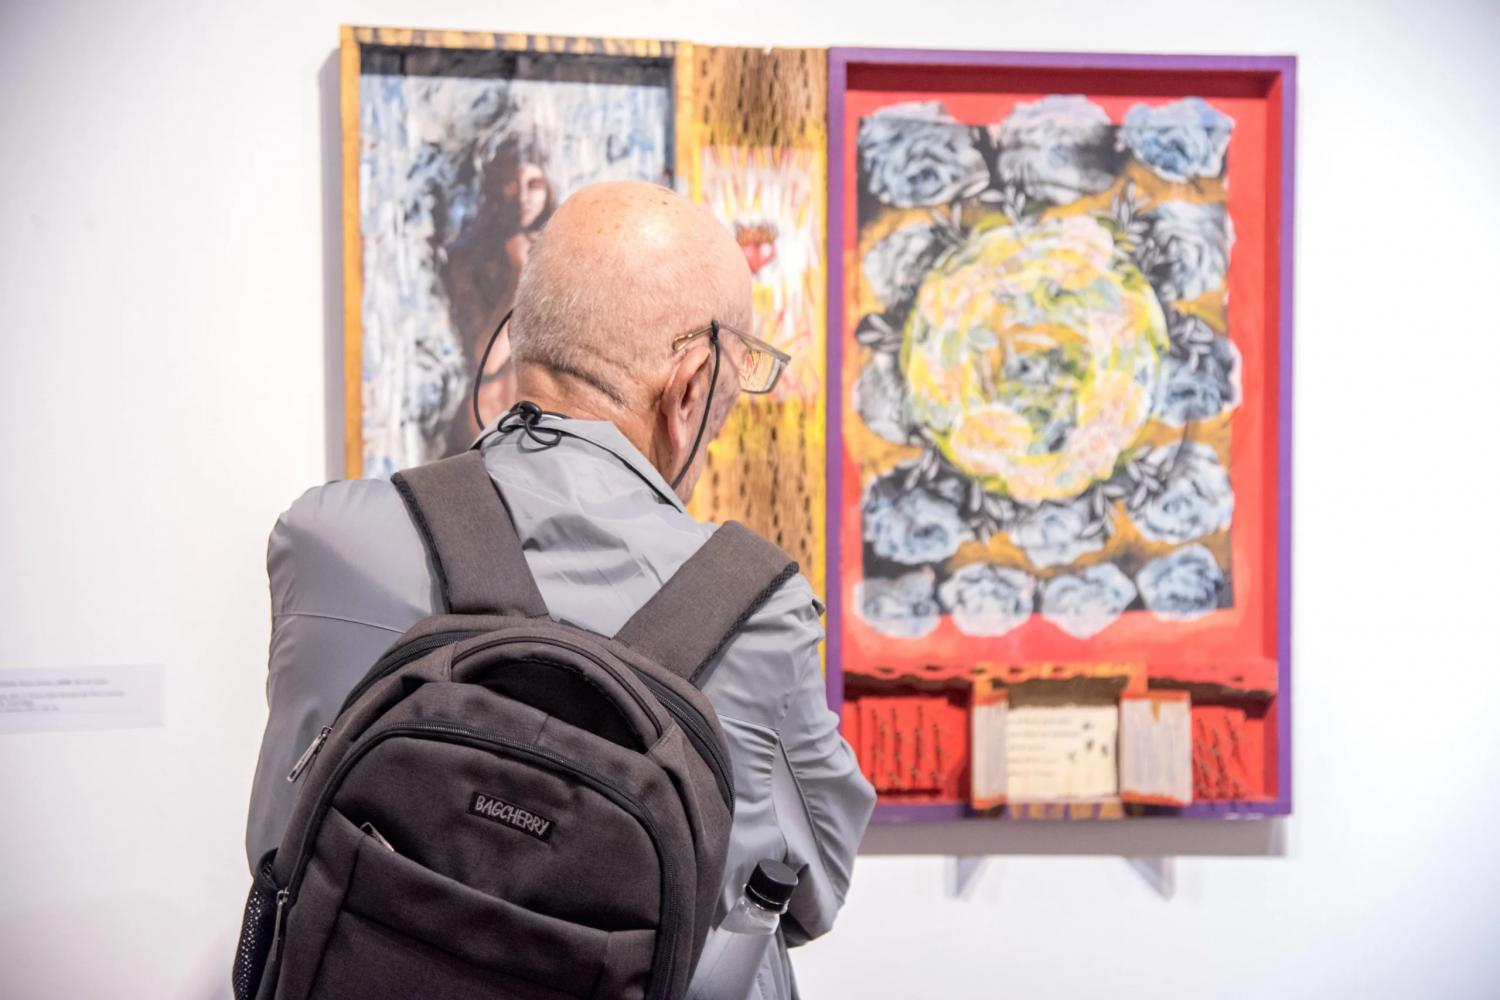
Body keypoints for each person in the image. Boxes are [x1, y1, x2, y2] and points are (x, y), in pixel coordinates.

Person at [244, 180, 876, 996]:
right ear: (689, 387)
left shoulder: (327, 541)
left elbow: (279, 841)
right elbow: (809, 890)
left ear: (516, 338)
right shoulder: (754, 613)